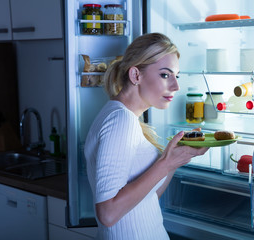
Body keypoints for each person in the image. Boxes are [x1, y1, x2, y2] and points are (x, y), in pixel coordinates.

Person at [84, 32, 209, 240]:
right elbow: (107, 213)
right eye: (165, 75)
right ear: (135, 76)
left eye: (176, 76)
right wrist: (166, 164)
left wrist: (173, 158)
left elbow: (146, 197)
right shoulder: (120, 121)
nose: (176, 86)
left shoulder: (124, 117)